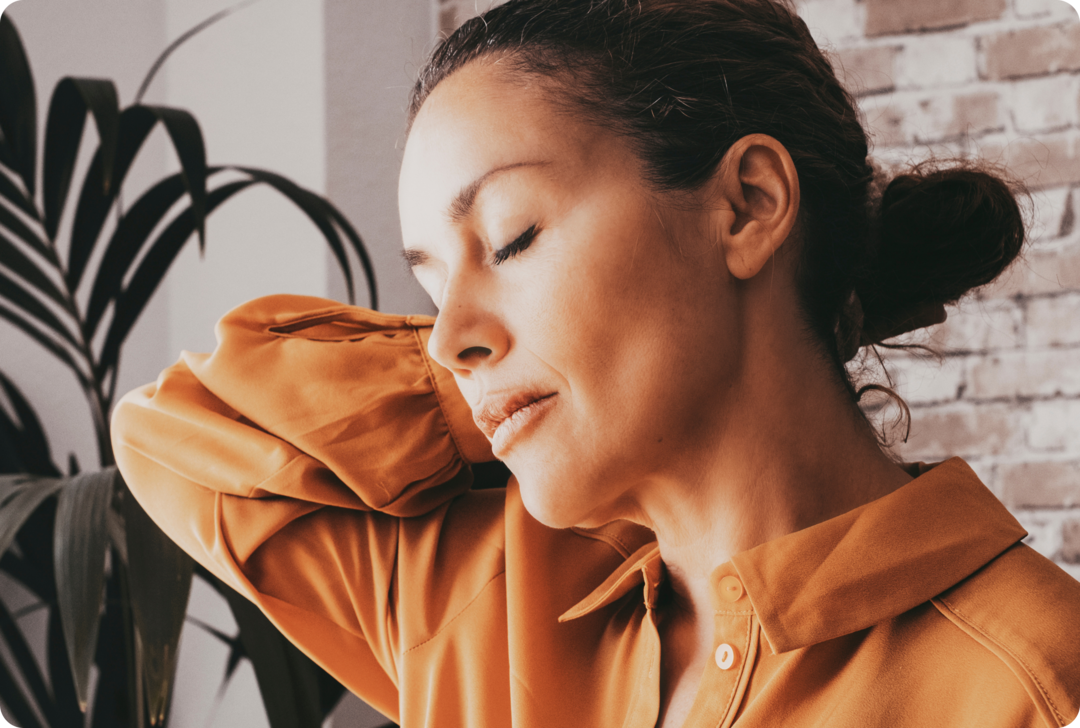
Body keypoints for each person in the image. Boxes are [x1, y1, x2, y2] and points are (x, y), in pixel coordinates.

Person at [111, 0, 1080, 726]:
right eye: (434, 282)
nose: (451, 336)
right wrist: (476, 392)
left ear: (744, 204)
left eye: (513, 236)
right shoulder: (483, 591)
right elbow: (172, 429)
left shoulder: (1032, 679)